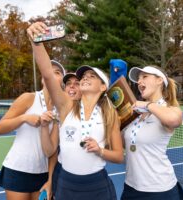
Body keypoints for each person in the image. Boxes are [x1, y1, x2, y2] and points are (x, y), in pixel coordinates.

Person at [27, 21, 123, 200]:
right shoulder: (67, 107)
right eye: (84, 76)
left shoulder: (110, 115)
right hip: (67, 184)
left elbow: (119, 156)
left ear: (103, 87)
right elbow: (48, 74)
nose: (85, 78)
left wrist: (99, 150)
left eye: (91, 76)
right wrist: (36, 43)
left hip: (97, 185)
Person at [0, 60, 65, 200]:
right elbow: (0, 128)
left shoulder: (62, 109)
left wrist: (51, 180)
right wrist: (24, 118)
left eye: (57, 72)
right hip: (18, 169)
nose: (51, 73)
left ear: (63, 80)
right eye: (48, 70)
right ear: (43, 79)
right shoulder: (29, 98)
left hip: (43, 173)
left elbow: (53, 152)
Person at [121, 66, 183, 200]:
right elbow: (126, 144)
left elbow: (174, 120)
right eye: (138, 79)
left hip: (159, 190)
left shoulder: (169, 109)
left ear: (159, 80)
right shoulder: (136, 113)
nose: (139, 82)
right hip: (131, 186)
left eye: (144, 77)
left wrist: (147, 105)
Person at [39, 72, 82, 199]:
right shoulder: (60, 116)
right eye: (68, 84)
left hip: (86, 178)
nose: (72, 86)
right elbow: (51, 151)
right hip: (62, 174)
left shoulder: (96, 113)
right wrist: (51, 181)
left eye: (77, 83)